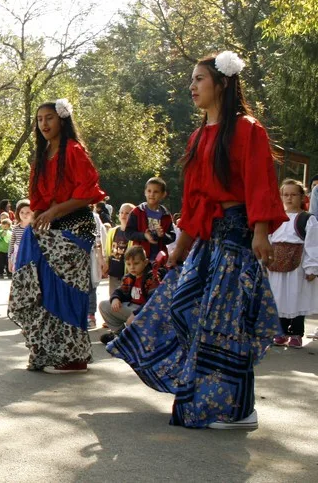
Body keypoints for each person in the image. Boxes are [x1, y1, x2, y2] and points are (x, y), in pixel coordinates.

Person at [107, 52, 286, 429]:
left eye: (199, 79)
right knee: (182, 308)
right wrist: (181, 249)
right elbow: (194, 201)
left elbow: (258, 184)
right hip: (207, 241)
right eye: (191, 79)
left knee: (226, 324)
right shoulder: (198, 136)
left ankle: (238, 409)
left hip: (237, 236)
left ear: (221, 83)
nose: (192, 86)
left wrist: (259, 233)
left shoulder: (247, 129)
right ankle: (208, 398)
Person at [7, 98, 106, 374]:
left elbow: (87, 193)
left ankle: (74, 356)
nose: (44, 124)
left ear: (61, 119)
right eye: (39, 119)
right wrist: (39, 216)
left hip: (76, 226)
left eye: (49, 117)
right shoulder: (40, 157)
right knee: (43, 285)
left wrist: (54, 212)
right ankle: (45, 350)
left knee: (65, 289)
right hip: (51, 227)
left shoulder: (74, 150)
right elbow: (37, 200)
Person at [268, 179, 318, 349]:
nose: (289, 198)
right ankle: (280, 332)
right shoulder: (274, 218)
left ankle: (296, 333)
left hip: (297, 265)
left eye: (293, 195)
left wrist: (312, 267)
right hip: (275, 265)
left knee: (297, 297)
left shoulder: (307, 219)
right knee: (278, 298)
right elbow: (267, 239)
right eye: (286, 195)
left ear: (302, 197)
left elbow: (313, 244)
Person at [97, 246, 166, 344]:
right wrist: (116, 298)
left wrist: (136, 314)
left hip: (147, 312)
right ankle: (120, 335)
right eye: (128, 264)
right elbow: (121, 290)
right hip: (133, 310)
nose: (132, 267)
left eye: (136, 263)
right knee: (104, 305)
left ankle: (133, 337)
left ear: (145, 262)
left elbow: (153, 301)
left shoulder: (151, 277)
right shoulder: (129, 277)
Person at [125, 177, 176, 261]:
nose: (151, 194)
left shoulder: (166, 215)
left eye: (156, 192)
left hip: (159, 258)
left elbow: (172, 237)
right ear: (145, 192)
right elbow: (128, 233)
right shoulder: (137, 212)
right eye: (149, 191)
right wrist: (144, 235)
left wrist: (162, 235)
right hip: (139, 258)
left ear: (163, 194)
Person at [104, 203, 135, 297]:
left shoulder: (134, 234)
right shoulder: (113, 231)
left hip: (127, 272)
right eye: (121, 212)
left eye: (127, 213)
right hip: (114, 271)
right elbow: (108, 250)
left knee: (125, 298)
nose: (123, 215)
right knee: (113, 297)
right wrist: (106, 264)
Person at [9, 200, 32, 272]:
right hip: (18, 257)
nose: (24, 215)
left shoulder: (35, 228)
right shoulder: (15, 228)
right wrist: (10, 260)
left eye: (28, 212)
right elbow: (11, 244)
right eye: (22, 212)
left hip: (31, 255)